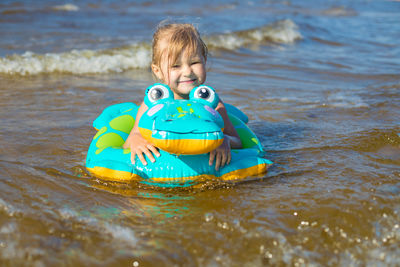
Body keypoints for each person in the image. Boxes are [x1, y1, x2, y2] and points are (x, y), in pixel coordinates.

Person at [123, 23, 242, 171]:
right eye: (175, 66)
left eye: (194, 62)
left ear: (204, 60)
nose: (187, 72)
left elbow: (237, 140)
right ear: (157, 70)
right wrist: (136, 141)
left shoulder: (213, 106)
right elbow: (132, 137)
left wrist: (224, 141)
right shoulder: (153, 106)